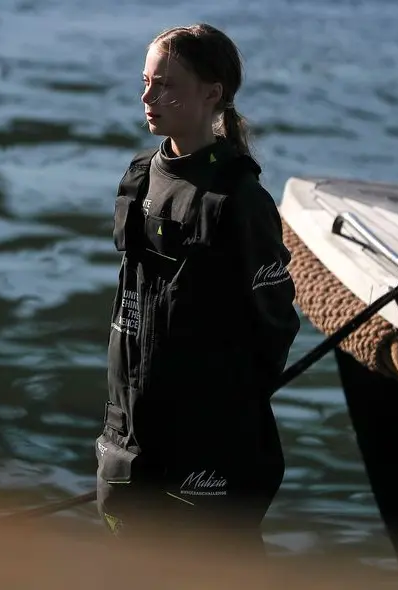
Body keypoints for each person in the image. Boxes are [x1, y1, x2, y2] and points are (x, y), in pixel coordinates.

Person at [94, 23, 301, 560]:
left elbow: (275, 328)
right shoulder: (140, 178)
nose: (147, 97)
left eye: (165, 85)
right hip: (128, 442)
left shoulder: (239, 200)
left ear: (212, 93)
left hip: (208, 456)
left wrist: (216, 402)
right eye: (145, 82)